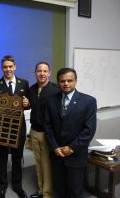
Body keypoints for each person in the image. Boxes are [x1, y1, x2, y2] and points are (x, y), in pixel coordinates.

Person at [44, 67, 97, 198]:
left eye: (69, 80)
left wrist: (72, 148)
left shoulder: (88, 101)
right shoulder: (50, 100)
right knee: (59, 189)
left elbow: (89, 130)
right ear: (57, 82)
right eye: (62, 81)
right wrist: (55, 147)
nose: (66, 83)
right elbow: (47, 126)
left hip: (76, 155)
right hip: (57, 154)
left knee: (75, 190)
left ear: (75, 81)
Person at [0, 55, 30, 198]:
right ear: (2, 68)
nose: (8, 69)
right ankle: (2, 186)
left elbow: (27, 104)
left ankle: (18, 186)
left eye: (10, 66)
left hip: (19, 129)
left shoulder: (24, 83)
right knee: (1, 159)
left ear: (15, 67)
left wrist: (27, 104)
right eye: (5, 67)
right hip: (1, 130)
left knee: (17, 158)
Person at [28, 62, 59, 198]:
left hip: (47, 134)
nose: (42, 73)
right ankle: (41, 190)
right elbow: (29, 106)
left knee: (47, 165)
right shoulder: (32, 89)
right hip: (34, 131)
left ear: (49, 73)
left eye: (45, 71)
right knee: (38, 163)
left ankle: (47, 194)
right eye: (39, 71)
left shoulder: (56, 90)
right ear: (35, 73)